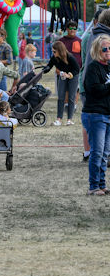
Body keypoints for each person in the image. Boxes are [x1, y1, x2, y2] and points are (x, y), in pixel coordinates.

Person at [80, 10, 110, 161]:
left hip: (89, 83)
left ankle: (92, 154)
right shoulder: (103, 38)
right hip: (97, 85)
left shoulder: (91, 34)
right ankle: (97, 156)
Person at [82, 34, 110, 195]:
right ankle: (93, 186)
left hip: (107, 114)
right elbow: (94, 90)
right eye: (104, 48)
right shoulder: (93, 67)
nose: (108, 51)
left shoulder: (108, 67)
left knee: (105, 153)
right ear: (98, 50)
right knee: (97, 152)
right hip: (95, 114)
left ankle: (102, 184)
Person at [48, 41, 80, 126]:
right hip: (63, 77)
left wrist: (69, 75)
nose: (53, 53)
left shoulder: (70, 57)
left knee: (71, 97)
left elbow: (77, 69)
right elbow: (49, 66)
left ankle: (69, 119)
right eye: (52, 51)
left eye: (54, 51)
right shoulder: (54, 58)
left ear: (60, 50)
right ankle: (59, 119)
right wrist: (42, 71)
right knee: (60, 97)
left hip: (73, 76)